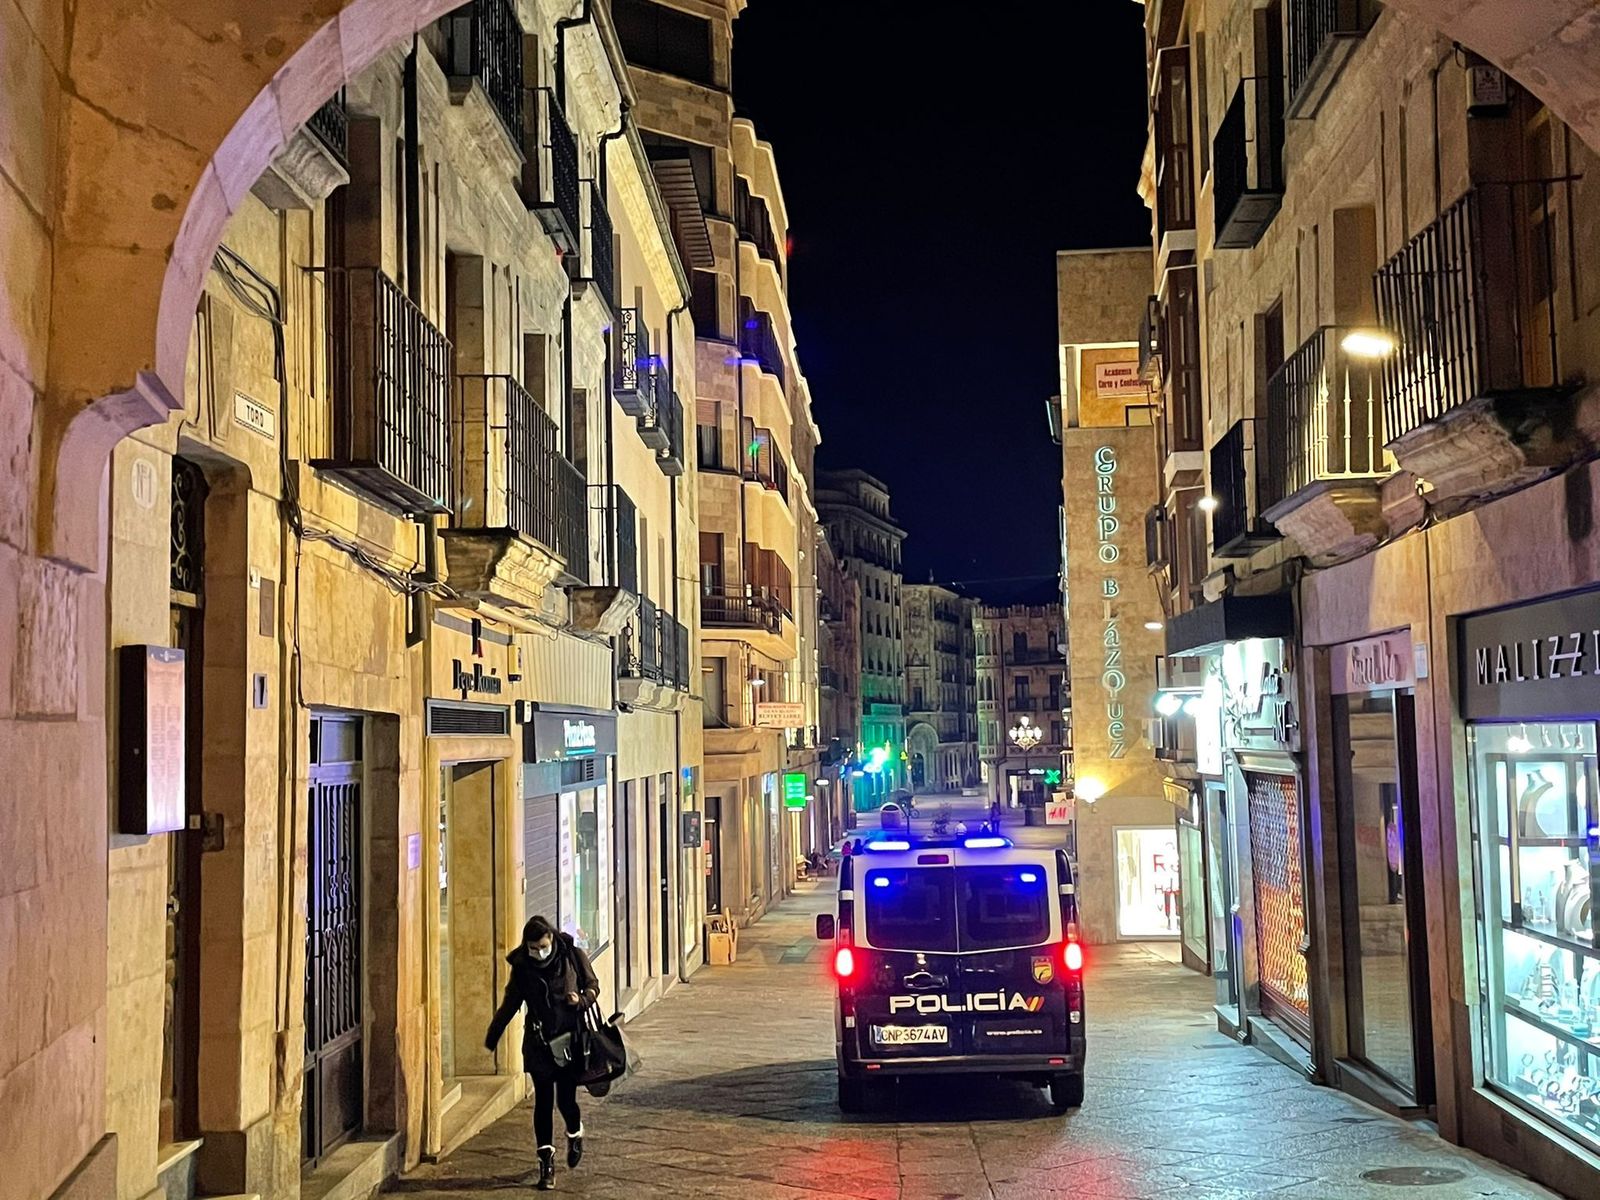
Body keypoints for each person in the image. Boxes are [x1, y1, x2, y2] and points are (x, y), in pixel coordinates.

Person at [485, 916, 600, 1190]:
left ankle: (575, 1132)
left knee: (566, 1102)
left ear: (551, 939)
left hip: (570, 1041)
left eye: (543, 946)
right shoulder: (523, 967)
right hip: (539, 1045)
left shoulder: (572, 955)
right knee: (543, 1103)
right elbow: (510, 1003)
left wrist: (581, 1000)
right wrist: (493, 1036)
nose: (539, 952)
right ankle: (546, 1162)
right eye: (533, 948)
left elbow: (593, 985)